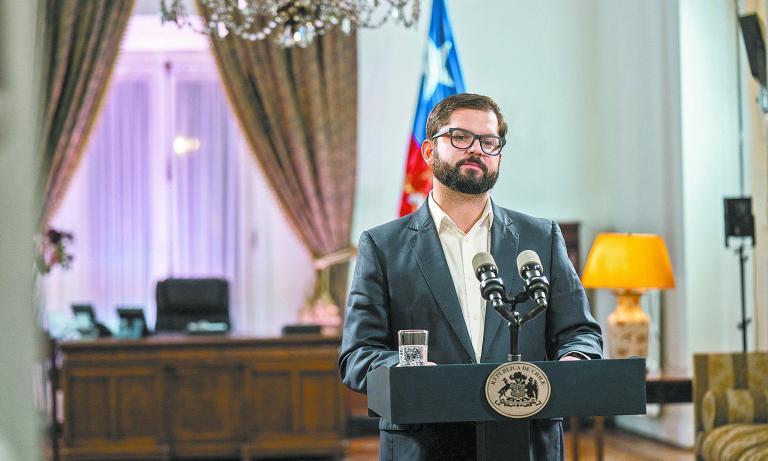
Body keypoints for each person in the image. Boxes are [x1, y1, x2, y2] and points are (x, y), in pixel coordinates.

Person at [339, 93, 603, 461]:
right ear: (429, 152)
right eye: (460, 137)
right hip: (423, 443)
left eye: (489, 142)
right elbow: (357, 354)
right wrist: (403, 370)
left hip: (525, 440)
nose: (476, 149)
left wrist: (575, 361)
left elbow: (581, 333)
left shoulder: (540, 238)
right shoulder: (382, 246)